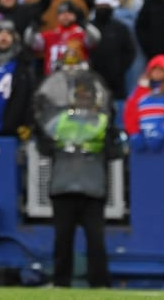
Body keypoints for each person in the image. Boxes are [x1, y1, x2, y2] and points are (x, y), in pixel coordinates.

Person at [35, 75, 123, 288]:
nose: (83, 99)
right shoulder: (60, 120)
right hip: (63, 187)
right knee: (62, 240)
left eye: (87, 95)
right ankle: (60, 282)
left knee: (96, 241)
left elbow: (115, 152)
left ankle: (100, 284)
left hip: (92, 188)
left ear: (94, 98)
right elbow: (44, 149)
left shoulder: (103, 122)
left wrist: (109, 137)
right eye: (80, 95)